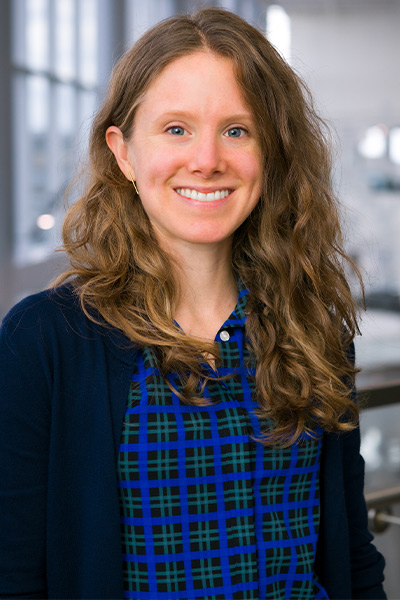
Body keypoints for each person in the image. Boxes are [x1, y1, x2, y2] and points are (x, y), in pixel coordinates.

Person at [0, 7, 386, 600]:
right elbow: (14, 575)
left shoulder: (314, 330)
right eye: (176, 128)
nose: (207, 159)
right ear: (123, 151)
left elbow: (353, 560)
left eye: (237, 130)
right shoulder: (44, 342)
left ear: (272, 153)